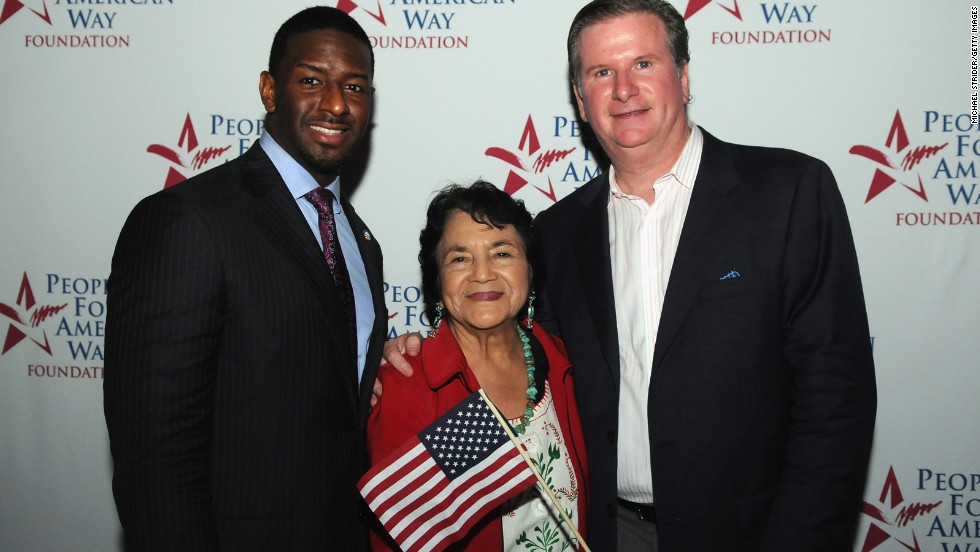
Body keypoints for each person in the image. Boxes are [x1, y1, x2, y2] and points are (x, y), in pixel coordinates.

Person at [384, 1, 877, 550]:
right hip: (605, 533)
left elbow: (837, 399)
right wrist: (415, 353)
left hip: (753, 534)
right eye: (601, 72)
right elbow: (522, 358)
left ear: (684, 77)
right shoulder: (558, 231)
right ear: (580, 99)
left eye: (643, 64)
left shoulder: (788, 193)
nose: (623, 89)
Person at [104, 7, 386, 551]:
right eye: (311, 80)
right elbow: (155, 455)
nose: (335, 103)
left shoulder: (359, 239)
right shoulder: (189, 219)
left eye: (355, 86)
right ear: (269, 90)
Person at [367, 182, 589, 550]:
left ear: (530, 272)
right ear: (438, 281)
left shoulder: (568, 365)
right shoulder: (405, 382)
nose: (482, 273)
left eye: (502, 253)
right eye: (459, 258)